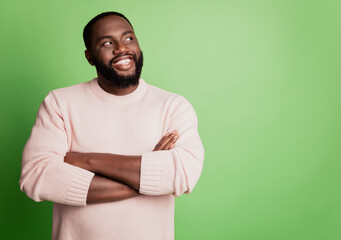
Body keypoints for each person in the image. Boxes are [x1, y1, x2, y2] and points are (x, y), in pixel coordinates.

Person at [19, 11, 204, 240]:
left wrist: (88, 160)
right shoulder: (59, 103)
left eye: (128, 38)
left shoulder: (173, 106)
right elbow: (37, 176)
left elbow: (183, 174)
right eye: (107, 43)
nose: (121, 48)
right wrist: (148, 172)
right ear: (90, 57)